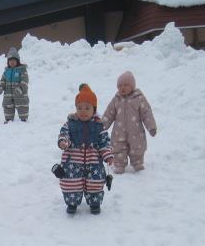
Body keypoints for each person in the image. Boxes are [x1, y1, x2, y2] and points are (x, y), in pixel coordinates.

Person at [52, 84, 113, 215]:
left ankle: (95, 202)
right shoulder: (70, 123)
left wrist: (107, 155)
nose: (83, 111)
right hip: (72, 161)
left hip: (93, 162)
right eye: (79, 108)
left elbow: (104, 142)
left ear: (94, 109)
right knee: (70, 182)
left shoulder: (99, 126)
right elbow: (64, 133)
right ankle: (72, 202)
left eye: (87, 108)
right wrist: (63, 142)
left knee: (95, 182)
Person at [101, 71, 157, 174]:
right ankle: (119, 164)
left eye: (126, 85)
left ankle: (137, 162)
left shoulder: (139, 98)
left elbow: (146, 113)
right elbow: (109, 114)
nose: (122, 88)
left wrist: (151, 127)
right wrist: (101, 127)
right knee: (118, 147)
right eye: (119, 86)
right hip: (119, 132)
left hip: (136, 131)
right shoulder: (116, 99)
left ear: (132, 86)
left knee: (137, 147)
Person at [0, 47, 29, 123]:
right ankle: (8, 119)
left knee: (22, 105)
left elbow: (25, 81)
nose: (12, 62)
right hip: (8, 94)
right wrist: (0, 88)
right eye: (10, 60)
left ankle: (23, 119)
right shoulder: (6, 71)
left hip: (20, 94)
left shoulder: (22, 70)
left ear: (17, 61)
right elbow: (3, 81)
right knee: (7, 105)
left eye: (14, 60)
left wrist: (20, 89)